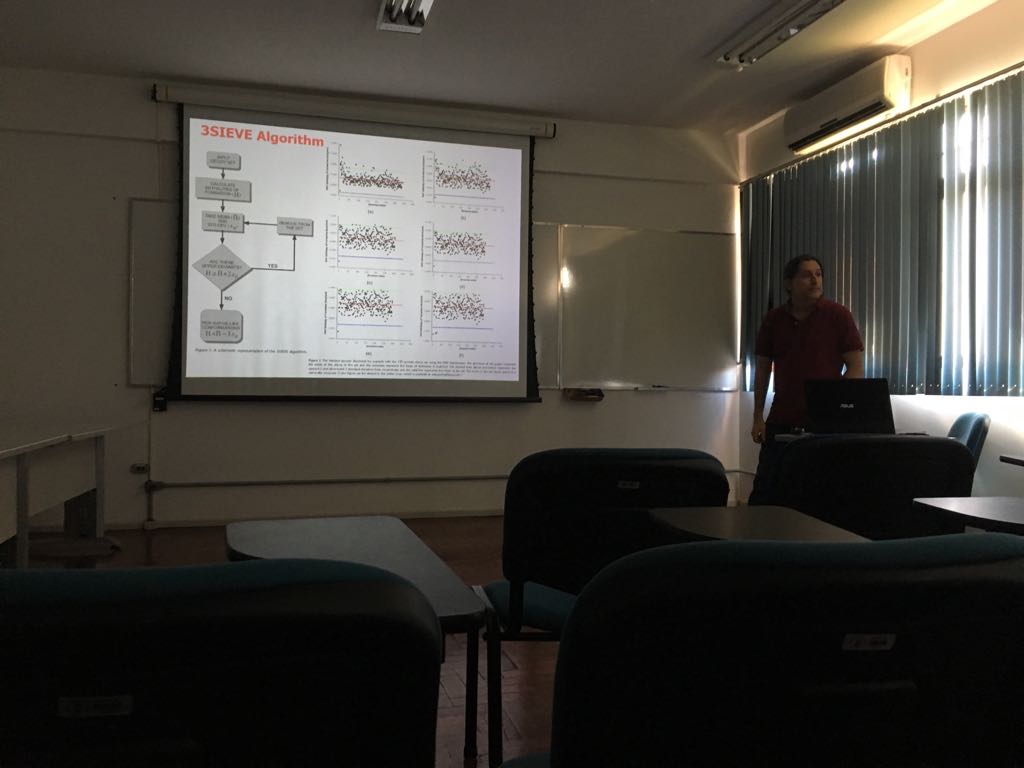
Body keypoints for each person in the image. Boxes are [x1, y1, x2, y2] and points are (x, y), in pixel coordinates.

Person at [748, 255, 864, 504]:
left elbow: (856, 366)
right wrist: (758, 416)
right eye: (806, 275)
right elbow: (763, 369)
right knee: (766, 492)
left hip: (824, 423)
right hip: (782, 417)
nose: (815, 280)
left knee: (819, 494)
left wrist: (837, 407)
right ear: (789, 283)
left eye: (818, 274)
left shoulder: (838, 315)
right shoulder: (774, 319)